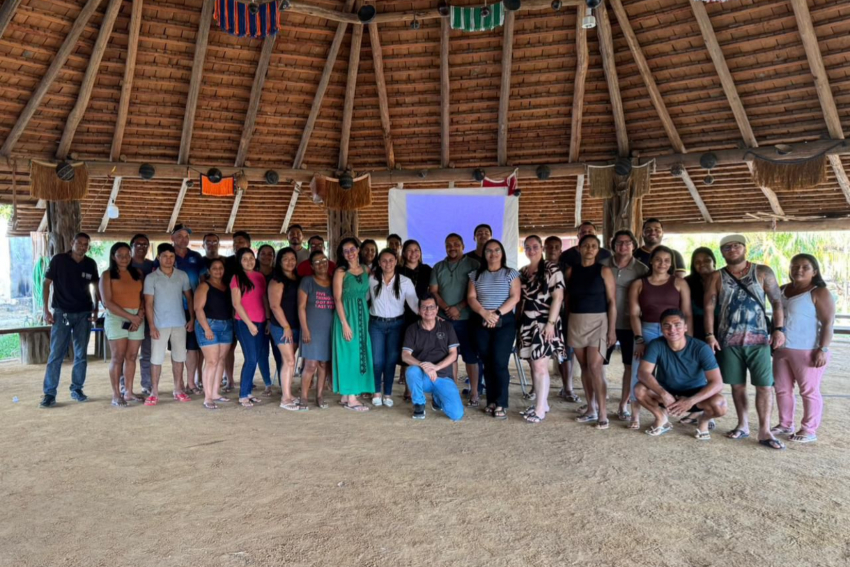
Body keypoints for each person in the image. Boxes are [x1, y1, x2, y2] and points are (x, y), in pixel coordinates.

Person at [704, 234, 787, 450]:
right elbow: (709, 308)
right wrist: (709, 334)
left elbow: (777, 302)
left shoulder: (762, 272)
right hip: (728, 340)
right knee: (737, 386)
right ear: (722, 252)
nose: (732, 250)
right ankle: (742, 424)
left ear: (744, 249)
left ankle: (765, 429)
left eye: (736, 246)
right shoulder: (716, 277)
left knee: (764, 386)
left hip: (760, 340)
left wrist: (778, 329)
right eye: (727, 247)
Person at [635, 309, 727, 439]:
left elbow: (717, 383)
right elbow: (643, 373)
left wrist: (691, 401)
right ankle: (661, 418)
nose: (672, 329)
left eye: (677, 325)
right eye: (667, 325)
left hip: (695, 396)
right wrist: (663, 394)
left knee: (720, 404)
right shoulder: (656, 345)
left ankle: (703, 420)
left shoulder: (701, 348)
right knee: (639, 389)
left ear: (685, 327)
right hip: (667, 396)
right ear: (661, 328)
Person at [772, 254, 835, 444]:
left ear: (814, 271)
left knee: (808, 391)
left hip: (807, 350)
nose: (799, 270)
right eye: (795, 266)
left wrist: (823, 348)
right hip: (782, 348)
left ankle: (809, 429)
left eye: (805, 267)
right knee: (782, 389)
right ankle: (785, 424)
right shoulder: (782, 290)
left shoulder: (819, 292)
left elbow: (828, 322)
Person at [628, 246, 693, 429]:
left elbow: (686, 312)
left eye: (666, 260)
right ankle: (635, 414)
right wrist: (639, 339)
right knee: (638, 370)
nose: (662, 263)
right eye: (658, 259)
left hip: (675, 331)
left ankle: (687, 409)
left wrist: (689, 338)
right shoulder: (639, 284)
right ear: (651, 261)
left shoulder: (679, 283)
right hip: (647, 328)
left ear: (671, 263)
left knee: (676, 369)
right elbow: (633, 314)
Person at [40, 233, 100, 408]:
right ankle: (49, 394)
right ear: (72, 242)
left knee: (81, 354)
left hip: (84, 314)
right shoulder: (59, 260)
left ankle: (77, 389)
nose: (82, 246)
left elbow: (95, 287)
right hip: (62, 313)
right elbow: (46, 283)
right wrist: (46, 310)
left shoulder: (90, 264)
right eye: (79, 243)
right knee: (56, 354)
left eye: (85, 244)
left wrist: (96, 308)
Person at [564, 234, 617, 429]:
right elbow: (567, 299)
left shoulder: (604, 271)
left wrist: (611, 329)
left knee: (595, 367)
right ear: (579, 248)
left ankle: (603, 413)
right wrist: (568, 322)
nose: (589, 249)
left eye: (594, 246)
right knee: (585, 366)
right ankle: (590, 408)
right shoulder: (571, 271)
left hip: (599, 322)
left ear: (598, 250)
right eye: (586, 245)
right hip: (576, 322)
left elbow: (612, 302)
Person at [467, 239, 521, 420]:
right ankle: (491, 401)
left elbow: (515, 297)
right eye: (489, 250)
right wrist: (484, 313)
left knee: (499, 362)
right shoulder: (475, 275)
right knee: (487, 362)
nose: (493, 254)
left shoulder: (510, 273)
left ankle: (502, 403)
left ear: (502, 253)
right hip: (481, 322)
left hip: (504, 322)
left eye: (497, 250)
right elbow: (471, 297)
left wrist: (496, 314)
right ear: (484, 254)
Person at [601, 230, 649, 423]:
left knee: (630, 366)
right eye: (619, 243)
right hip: (605, 322)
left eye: (627, 243)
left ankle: (623, 404)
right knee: (600, 364)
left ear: (634, 245)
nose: (623, 246)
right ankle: (598, 403)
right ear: (613, 245)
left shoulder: (642, 269)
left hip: (631, 324)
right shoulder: (602, 266)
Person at [154, 224, 207, 394]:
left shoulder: (196, 257)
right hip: (170, 311)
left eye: (186, 236)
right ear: (172, 238)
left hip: (192, 308)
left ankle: (191, 383)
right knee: (175, 349)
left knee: (192, 347)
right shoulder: (164, 257)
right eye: (180, 236)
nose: (183, 239)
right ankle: (178, 383)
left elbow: (204, 279)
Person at [517, 235, 565, 423]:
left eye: (535, 246)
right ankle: (541, 403)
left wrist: (551, 324)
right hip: (527, 323)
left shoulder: (552, 269)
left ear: (542, 248)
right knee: (533, 364)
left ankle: (540, 409)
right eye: (527, 247)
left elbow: (558, 297)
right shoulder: (522, 272)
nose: (531, 250)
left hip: (545, 323)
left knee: (540, 365)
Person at [429, 233, 481, 406]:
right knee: (447, 358)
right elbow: (434, 291)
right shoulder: (438, 267)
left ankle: (474, 392)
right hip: (444, 320)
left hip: (467, 319)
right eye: (448, 245)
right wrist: (447, 309)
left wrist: (458, 308)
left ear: (463, 245)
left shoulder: (474, 265)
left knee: (470, 357)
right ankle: (451, 392)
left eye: (456, 244)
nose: (452, 247)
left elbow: (477, 291)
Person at [143, 243, 194, 406]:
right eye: (164, 256)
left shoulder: (182, 275)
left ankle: (178, 389)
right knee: (156, 359)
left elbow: (189, 297)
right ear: (158, 257)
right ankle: (154, 392)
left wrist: (192, 318)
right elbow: (148, 304)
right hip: (159, 324)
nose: (168, 259)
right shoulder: (151, 278)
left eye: (171, 256)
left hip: (179, 323)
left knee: (179, 358)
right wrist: (151, 325)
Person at [369, 248, 419, 406]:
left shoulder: (405, 281)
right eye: (384, 260)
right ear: (379, 263)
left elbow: (415, 305)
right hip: (376, 324)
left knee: (391, 360)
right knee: (377, 360)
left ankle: (388, 394)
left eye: (391, 260)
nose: (388, 263)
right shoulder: (372, 280)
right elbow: (363, 299)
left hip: (397, 325)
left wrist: (430, 315)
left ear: (396, 261)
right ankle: (376, 391)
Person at [402, 293, 464, 421]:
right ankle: (419, 404)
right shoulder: (412, 329)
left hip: (443, 376)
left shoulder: (447, 327)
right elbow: (405, 355)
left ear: (437, 309)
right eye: (424, 307)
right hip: (423, 376)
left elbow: (454, 354)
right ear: (419, 310)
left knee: (456, 415)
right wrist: (424, 366)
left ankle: (437, 398)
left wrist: (436, 367)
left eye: (431, 307)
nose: (428, 311)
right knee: (412, 371)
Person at [99, 242, 145, 407]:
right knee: (118, 357)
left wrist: (139, 315)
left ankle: (129, 392)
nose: (124, 258)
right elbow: (107, 302)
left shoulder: (138, 273)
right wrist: (130, 317)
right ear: (113, 256)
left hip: (137, 317)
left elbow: (142, 297)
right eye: (120, 255)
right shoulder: (107, 275)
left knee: (132, 356)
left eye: (127, 255)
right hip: (117, 317)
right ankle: (116, 394)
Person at [332, 237, 372, 411]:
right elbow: (337, 298)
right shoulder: (340, 272)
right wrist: (345, 324)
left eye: (352, 249)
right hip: (346, 315)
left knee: (360, 351)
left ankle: (345, 394)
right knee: (349, 353)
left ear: (358, 249)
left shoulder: (365, 269)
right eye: (345, 250)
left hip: (363, 314)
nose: (349, 253)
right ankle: (352, 398)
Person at [231, 247, 270, 408]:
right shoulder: (236, 278)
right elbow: (236, 303)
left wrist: (267, 319)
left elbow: (264, 299)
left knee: (257, 357)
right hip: (244, 323)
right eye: (245, 258)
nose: (249, 261)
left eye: (251, 258)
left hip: (261, 322)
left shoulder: (260, 276)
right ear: (239, 262)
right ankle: (243, 395)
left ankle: (248, 392)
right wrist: (249, 324)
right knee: (251, 358)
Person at [194, 258, 233, 410]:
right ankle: (208, 397)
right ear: (209, 271)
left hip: (226, 325)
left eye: (220, 268)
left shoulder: (227, 286)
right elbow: (198, 309)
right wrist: (207, 329)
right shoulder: (204, 286)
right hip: (209, 325)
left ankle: (216, 393)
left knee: (221, 359)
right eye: (214, 268)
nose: (218, 270)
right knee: (211, 362)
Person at [298, 250, 335, 409]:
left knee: (323, 365)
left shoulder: (334, 281)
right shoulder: (307, 281)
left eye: (324, 260)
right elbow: (301, 307)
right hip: (311, 329)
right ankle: (304, 397)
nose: (321, 264)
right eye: (317, 262)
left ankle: (319, 396)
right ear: (312, 266)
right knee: (310, 365)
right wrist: (305, 329)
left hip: (329, 329)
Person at [269, 247, 303, 411]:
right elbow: (275, 306)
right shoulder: (276, 281)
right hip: (282, 327)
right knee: (289, 361)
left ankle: (288, 393)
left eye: (292, 258)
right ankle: (285, 398)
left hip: (296, 326)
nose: (290, 262)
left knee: (289, 362)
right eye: (285, 259)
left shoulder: (298, 279)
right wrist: (286, 327)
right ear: (279, 262)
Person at [399, 239, 432, 393]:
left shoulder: (427, 270)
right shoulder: (398, 270)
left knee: (421, 350)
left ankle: (418, 386)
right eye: (410, 250)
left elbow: (432, 291)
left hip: (422, 315)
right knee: (407, 351)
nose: (413, 253)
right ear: (404, 253)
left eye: (416, 250)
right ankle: (408, 388)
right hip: (403, 315)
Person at [223, 230, 252, 391]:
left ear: (248, 245)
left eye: (240, 242)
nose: (237, 245)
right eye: (235, 243)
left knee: (250, 348)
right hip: (230, 309)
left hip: (252, 313)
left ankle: (248, 378)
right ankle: (229, 379)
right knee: (230, 347)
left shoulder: (255, 264)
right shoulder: (226, 262)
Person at [125, 233, 153, 397]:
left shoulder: (152, 265)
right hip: (128, 314)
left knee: (147, 352)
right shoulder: (123, 265)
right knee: (128, 353)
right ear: (132, 246)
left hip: (149, 314)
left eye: (145, 244)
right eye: (138, 244)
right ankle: (125, 386)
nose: (142, 247)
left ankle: (147, 385)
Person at [256, 244, 281, 393]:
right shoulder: (251, 274)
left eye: (270, 254)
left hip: (276, 318)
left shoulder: (278, 274)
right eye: (263, 253)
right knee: (262, 352)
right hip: (257, 319)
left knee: (279, 352)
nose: (266, 256)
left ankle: (282, 381)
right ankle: (267, 383)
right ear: (258, 256)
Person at [685, 247, 718, 342]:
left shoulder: (723, 280)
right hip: (696, 331)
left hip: (723, 331)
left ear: (714, 262)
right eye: (697, 262)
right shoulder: (687, 283)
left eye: (707, 260)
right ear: (693, 266)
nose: (702, 264)